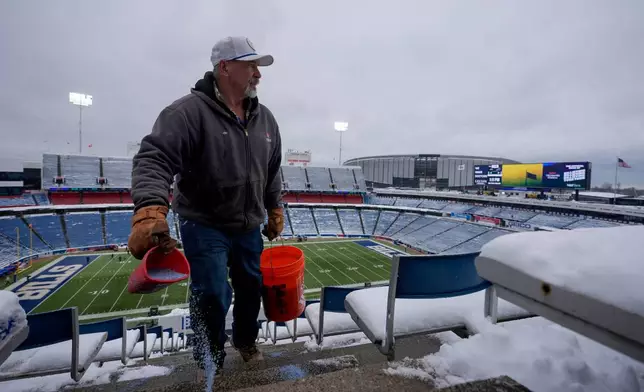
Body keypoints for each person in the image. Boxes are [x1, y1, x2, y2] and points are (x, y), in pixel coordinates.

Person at [128, 36, 283, 374]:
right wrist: (150, 210)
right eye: (251, 66)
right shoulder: (186, 113)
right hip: (204, 222)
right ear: (225, 67)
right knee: (211, 290)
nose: (258, 74)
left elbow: (272, 170)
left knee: (250, 287)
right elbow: (155, 159)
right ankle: (208, 351)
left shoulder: (266, 119)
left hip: (248, 225)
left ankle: (245, 340)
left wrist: (274, 208)